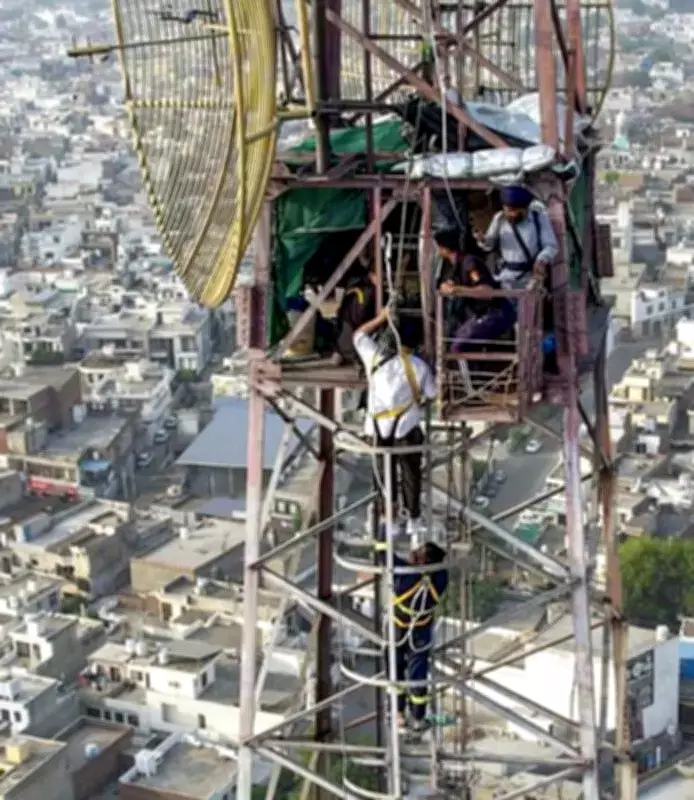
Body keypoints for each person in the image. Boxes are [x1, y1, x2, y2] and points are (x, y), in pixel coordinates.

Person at [353, 306, 436, 540]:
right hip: (406, 428)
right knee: (410, 473)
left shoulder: (375, 358)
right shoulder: (418, 366)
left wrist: (380, 317)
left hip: (377, 428)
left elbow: (359, 336)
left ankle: (389, 519)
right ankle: (413, 519)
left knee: (383, 474)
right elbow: (432, 394)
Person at [374, 536, 448, 732]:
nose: (413, 552)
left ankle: (397, 714)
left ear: (422, 561)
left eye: (418, 552)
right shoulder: (440, 579)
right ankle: (417, 717)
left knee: (395, 673)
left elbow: (383, 554)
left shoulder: (404, 577)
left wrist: (384, 527)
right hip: (420, 634)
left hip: (397, 632)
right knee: (418, 675)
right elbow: (438, 566)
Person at [478, 185, 559, 290]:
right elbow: (490, 244)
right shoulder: (499, 218)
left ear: (525, 208)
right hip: (506, 275)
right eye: (507, 210)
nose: (510, 214)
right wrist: (483, 240)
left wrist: (541, 260)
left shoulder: (539, 218)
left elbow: (551, 246)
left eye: (514, 211)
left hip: (531, 276)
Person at [440, 255, 516, 354]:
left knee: (458, 346)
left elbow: (486, 293)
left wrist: (457, 289)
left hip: (497, 312)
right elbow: (446, 285)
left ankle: (468, 369)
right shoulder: (456, 266)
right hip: (481, 314)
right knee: (455, 337)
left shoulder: (469, 263)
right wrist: (446, 286)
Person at [332, 253, 378, 366]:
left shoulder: (356, 286)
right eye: (380, 275)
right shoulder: (368, 292)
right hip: (354, 346)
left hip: (343, 343)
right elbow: (360, 318)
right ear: (371, 275)